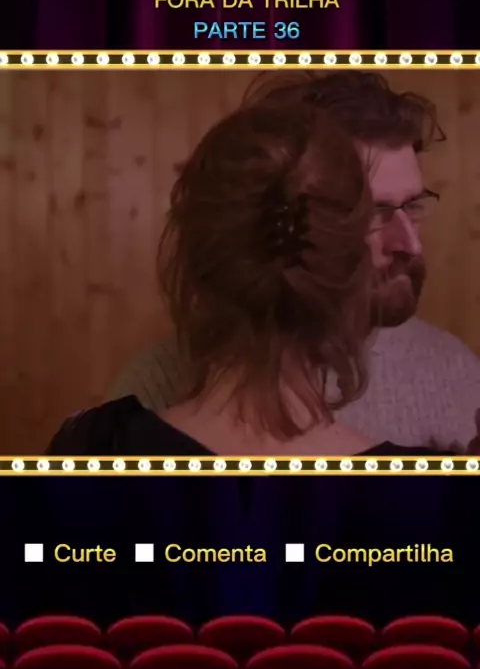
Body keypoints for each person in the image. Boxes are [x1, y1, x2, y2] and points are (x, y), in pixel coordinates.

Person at [107, 72, 480, 452]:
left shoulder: (456, 374)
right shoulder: (156, 387)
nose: (411, 244)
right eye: (374, 212)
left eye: (413, 206)